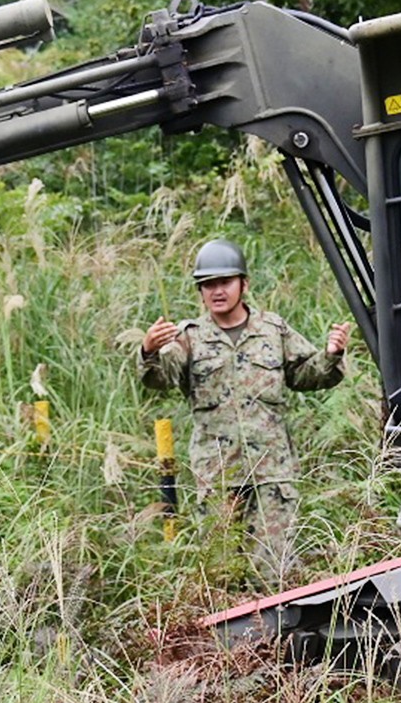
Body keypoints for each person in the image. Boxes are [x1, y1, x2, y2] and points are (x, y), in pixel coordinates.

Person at [139, 238, 351, 583]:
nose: (217, 291)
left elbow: (306, 375)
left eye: (225, 282)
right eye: (208, 284)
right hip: (219, 476)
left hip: (272, 474)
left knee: (276, 572)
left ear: (244, 285)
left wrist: (331, 354)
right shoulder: (188, 337)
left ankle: (281, 638)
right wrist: (148, 350)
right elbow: (161, 378)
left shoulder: (273, 330)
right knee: (222, 576)